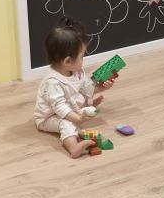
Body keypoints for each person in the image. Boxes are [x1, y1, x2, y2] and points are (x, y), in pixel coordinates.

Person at [34, 18, 109, 157]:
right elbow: (60, 108)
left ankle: (77, 126)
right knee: (66, 123)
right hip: (49, 117)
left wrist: (100, 88)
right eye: (81, 56)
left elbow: (85, 88)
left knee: (79, 105)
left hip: (68, 106)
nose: (83, 60)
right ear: (67, 61)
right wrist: (77, 119)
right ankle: (73, 147)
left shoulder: (77, 72)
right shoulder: (53, 82)